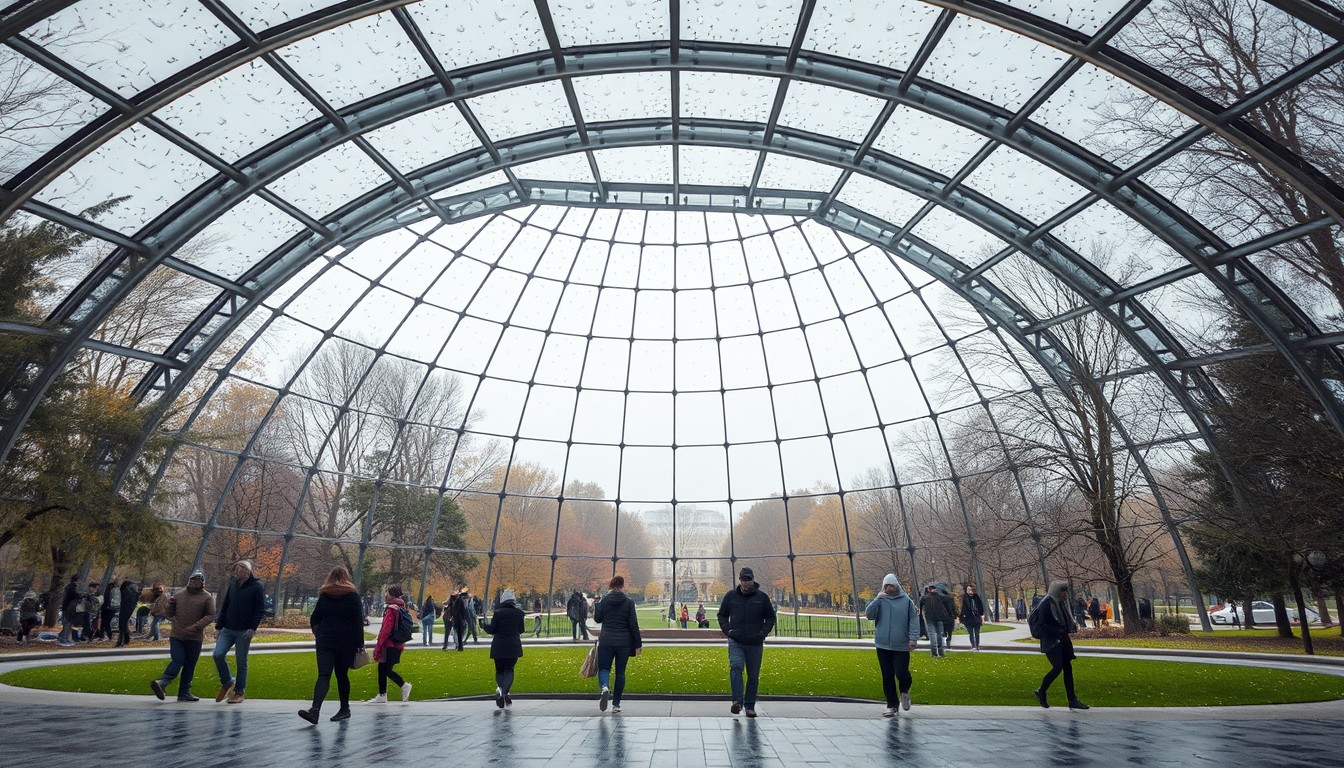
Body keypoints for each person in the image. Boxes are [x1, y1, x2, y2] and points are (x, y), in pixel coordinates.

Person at [298, 567, 365, 724]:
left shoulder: (325, 595)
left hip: (325, 640)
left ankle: (315, 710)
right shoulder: (352, 596)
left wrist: (318, 633)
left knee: (324, 675)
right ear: (346, 577)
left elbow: (315, 618)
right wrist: (359, 643)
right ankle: (344, 708)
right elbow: (357, 621)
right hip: (345, 641)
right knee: (342, 675)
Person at [716, 566, 776, 718]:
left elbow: (770, 617)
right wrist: (728, 631)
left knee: (753, 675)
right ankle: (737, 701)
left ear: (753, 580)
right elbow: (722, 615)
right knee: (736, 668)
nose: (746, 583)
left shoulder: (762, 598)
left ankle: (750, 705)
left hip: (754, 642)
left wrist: (762, 633)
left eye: (748, 580)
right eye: (743, 580)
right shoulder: (731, 596)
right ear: (740, 580)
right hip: (736, 640)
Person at [150, 571, 216, 702]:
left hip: (194, 637)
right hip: (177, 635)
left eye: (197, 579)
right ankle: (163, 682)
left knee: (190, 665)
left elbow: (210, 615)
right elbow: (168, 613)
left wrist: (196, 626)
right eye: (192, 579)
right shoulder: (179, 595)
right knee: (178, 659)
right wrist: (170, 604)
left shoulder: (207, 597)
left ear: (202, 582)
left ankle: (184, 692)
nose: (193, 581)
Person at [213, 560, 266, 704]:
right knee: (218, 654)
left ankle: (239, 692)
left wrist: (252, 628)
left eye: (239, 569)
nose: (236, 572)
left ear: (247, 572)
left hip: (244, 631)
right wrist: (219, 626)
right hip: (228, 628)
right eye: (236, 569)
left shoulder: (257, 587)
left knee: (241, 660)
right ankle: (228, 681)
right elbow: (226, 606)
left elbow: (260, 609)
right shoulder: (233, 585)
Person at [865, 574, 919, 717]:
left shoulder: (906, 601)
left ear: (897, 586)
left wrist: (913, 639)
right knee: (887, 675)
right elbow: (869, 615)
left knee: (902, 673)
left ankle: (904, 691)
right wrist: (877, 599)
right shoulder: (881, 600)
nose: (890, 588)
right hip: (883, 644)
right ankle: (892, 705)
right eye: (887, 586)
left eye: (892, 586)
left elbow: (914, 620)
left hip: (901, 644)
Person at [1032, 580, 1089, 710]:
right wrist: (1058, 631)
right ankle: (1041, 690)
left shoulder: (1060, 603)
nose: (1065, 594)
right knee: (1057, 667)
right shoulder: (1046, 604)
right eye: (1063, 591)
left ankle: (1072, 699)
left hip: (1062, 639)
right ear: (1057, 591)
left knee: (1067, 668)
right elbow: (1043, 624)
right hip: (1052, 640)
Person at [593, 575, 642, 713]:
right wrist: (638, 643)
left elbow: (597, 619)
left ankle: (604, 687)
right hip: (623, 641)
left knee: (604, 669)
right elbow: (633, 624)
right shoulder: (629, 602)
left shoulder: (604, 600)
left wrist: (597, 605)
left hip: (606, 639)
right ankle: (616, 704)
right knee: (620, 672)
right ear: (622, 585)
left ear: (611, 585)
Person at [481, 588, 526, 708]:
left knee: (499, 670)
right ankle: (505, 692)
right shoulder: (519, 613)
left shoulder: (498, 612)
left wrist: (485, 626)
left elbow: (493, 630)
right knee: (509, 670)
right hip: (513, 645)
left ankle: (500, 690)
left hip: (499, 645)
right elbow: (521, 630)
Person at [369, 584, 412, 703]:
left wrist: (378, 646)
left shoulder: (391, 609)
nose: (385, 595)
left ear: (392, 594)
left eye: (386, 592)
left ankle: (404, 686)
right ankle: (382, 695)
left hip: (389, 644)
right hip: (397, 643)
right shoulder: (401, 607)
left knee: (386, 669)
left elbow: (386, 629)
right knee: (382, 668)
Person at [918, 584, 952, 658]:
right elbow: (949, 598)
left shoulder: (925, 598)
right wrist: (945, 592)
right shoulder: (939, 596)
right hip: (939, 618)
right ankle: (941, 652)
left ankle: (934, 652)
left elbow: (920, 604)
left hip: (929, 618)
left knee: (932, 635)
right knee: (940, 635)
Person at [959, 584, 986, 651]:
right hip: (968, 618)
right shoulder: (964, 598)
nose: (968, 591)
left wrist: (981, 616)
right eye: (967, 590)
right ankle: (973, 645)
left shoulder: (976, 597)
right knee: (971, 633)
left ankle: (977, 645)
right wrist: (961, 618)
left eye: (970, 589)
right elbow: (962, 608)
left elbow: (980, 607)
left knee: (977, 633)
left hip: (976, 618)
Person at [116, 578, 138, 647]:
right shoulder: (133, 590)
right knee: (123, 623)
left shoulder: (128, 590)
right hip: (129, 607)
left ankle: (123, 640)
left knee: (122, 624)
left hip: (125, 607)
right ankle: (124, 640)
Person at [59, 575, 80, 646]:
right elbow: (72, 596)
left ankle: (63, 637)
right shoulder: (72, 587)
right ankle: (64, 638)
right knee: (68, 623)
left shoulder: (68, 586)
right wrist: (79, 596)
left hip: (66, 606)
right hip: (69, 607)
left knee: (67, 623)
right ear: (77, 580)